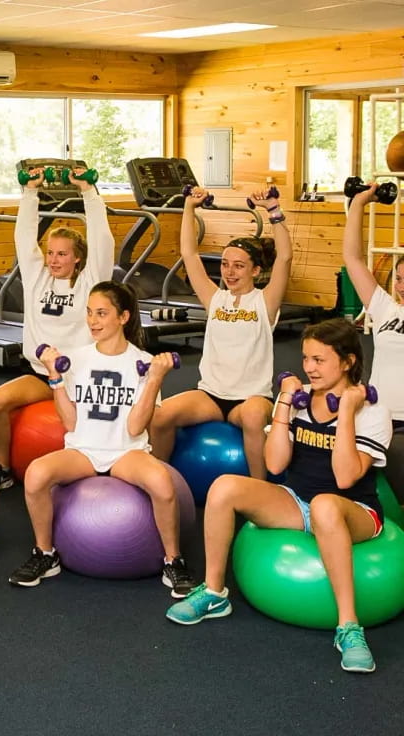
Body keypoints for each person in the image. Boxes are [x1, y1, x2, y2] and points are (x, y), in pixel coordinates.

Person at [167, 318, 393, 674]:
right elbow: (274, 462)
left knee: (325, 505)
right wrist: (286, 403)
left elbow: (346, 477)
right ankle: (214, 593)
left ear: (348, 361)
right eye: (306, 359)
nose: (309, 368)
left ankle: (349, 627)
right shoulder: (301, 400)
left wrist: (347, 412)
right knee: (225, 486)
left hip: (355, 511)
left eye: (319, 360)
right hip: (297, 501)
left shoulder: (373, 410)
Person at [8, 281, 197, 596]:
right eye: (89, 313)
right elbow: (70, 423)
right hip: (83, 449)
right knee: (36, 474)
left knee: (163, 485)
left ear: (123, 317)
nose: (93, 321)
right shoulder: (77, 359)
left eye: (101, 313)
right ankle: (45, 553)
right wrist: (54, 376)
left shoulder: (142, 362)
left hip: (126, 451)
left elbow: (136, 428)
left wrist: (153, 381)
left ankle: (173, 561)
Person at [149, 186, 293, 481]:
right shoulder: (215, 298)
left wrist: (274, 211)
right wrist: (189, 208)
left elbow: (285, 259)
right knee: (159, 414)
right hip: (211, 396)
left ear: (255, 271)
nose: (229, 272)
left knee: (253, 416)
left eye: (239, 266)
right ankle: (156, 479)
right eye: (226, 264)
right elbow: (189, 253)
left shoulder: (264, 302)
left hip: (252, 398)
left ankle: (257, 488)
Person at [0, 167, 115, 493]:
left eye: (62, 254)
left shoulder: (90, 281)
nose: (53, 260)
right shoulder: (37, 278)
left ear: (78, 258)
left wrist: (88, 192)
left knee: (86, 427)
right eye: (51, 253)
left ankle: (96, 469)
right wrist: (30, 193)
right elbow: (23, 237)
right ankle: (3, 468)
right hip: (42, 375)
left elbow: (102, 239)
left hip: (79, 378)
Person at [342, 182, 404, 505]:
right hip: (377, 414)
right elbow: (351, 258)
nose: (401, 285)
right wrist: (360, 203)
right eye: (398, 278)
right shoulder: (385, 309)